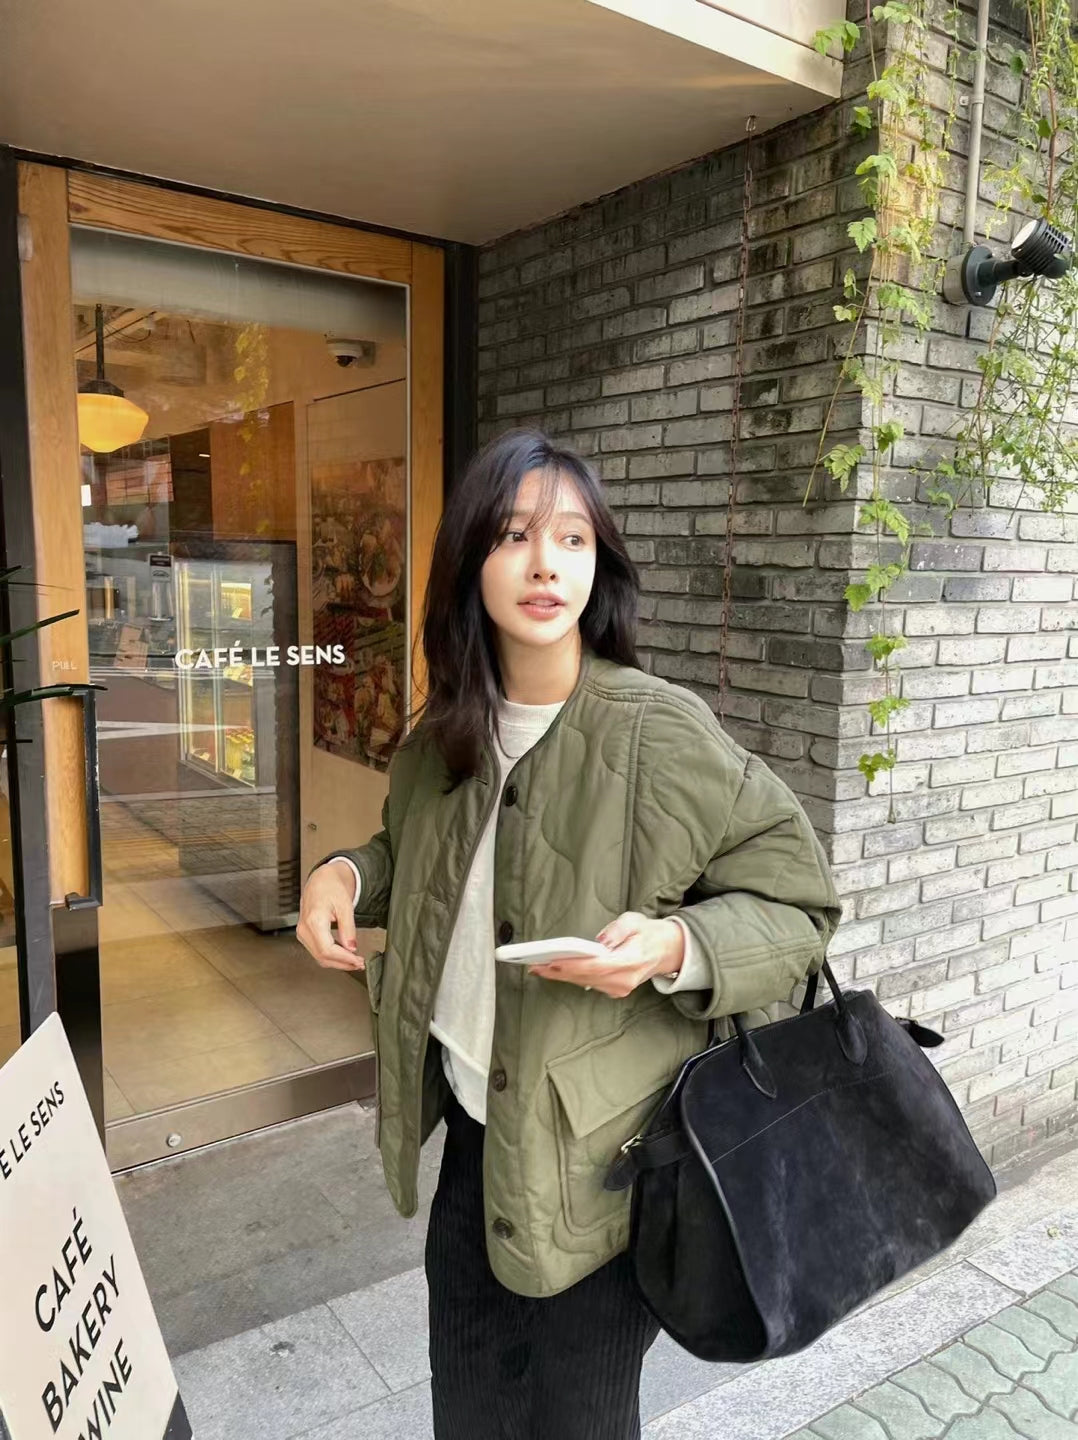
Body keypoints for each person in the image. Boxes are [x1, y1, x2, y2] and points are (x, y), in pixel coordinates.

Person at [296, 428, 843, 1439]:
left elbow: (798, 906)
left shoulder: (658, 732)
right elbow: (412, 854)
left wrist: (673, 949)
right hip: (472, 1143)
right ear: (471, 561)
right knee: (467, 1411)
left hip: (606, 1171)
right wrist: (346, 873)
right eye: (514, 535)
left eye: (572, 539)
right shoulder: (439, 739)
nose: (545, 563)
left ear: (599, 566)